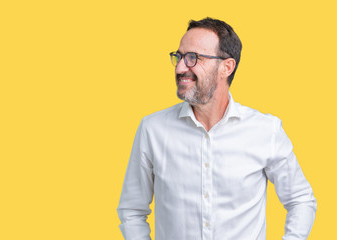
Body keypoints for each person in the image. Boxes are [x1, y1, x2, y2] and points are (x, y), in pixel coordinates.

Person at [117, 17, 316, 240]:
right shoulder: (152, 129)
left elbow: (300, 200)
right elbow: (132, 211)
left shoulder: (265, 130)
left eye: (193, 58)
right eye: (179, 56)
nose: (181, 67)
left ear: (226, 67)